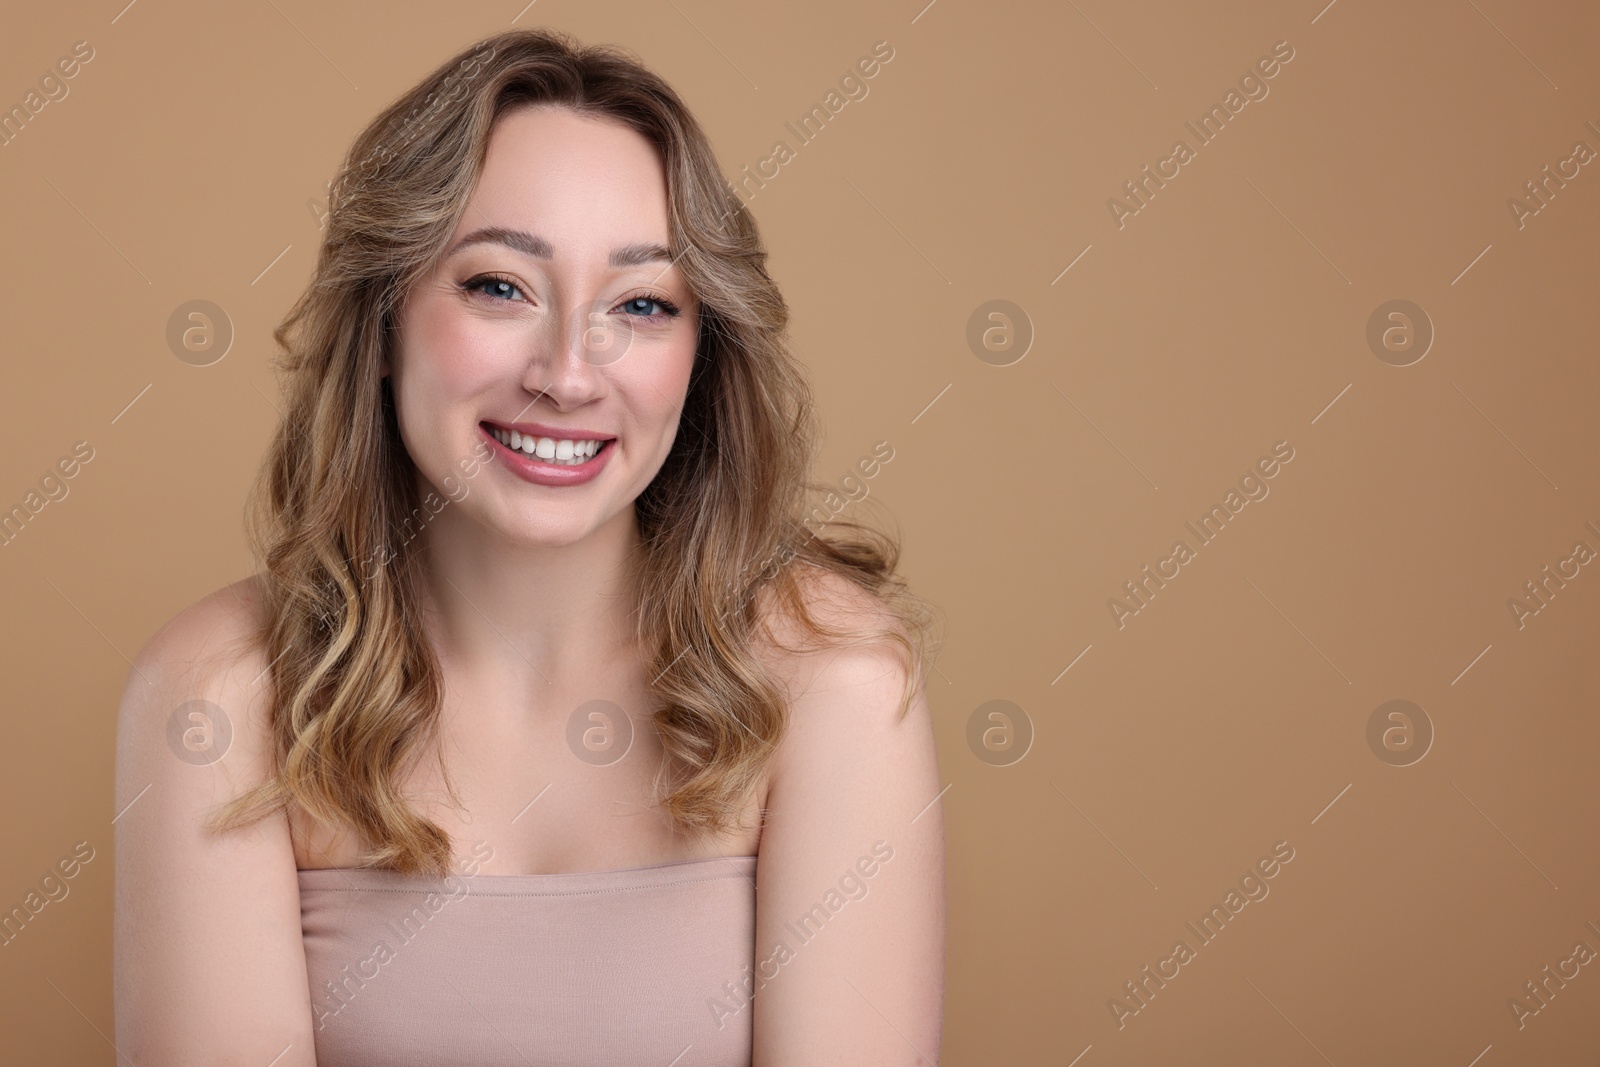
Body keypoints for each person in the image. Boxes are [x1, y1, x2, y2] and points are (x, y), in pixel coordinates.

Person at [112, 26, 944, 1066]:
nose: (567, 372)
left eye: (641, 304)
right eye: (500, 285)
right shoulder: (217, 693)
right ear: (383, 320)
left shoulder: (836, 682)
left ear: (700, 358)